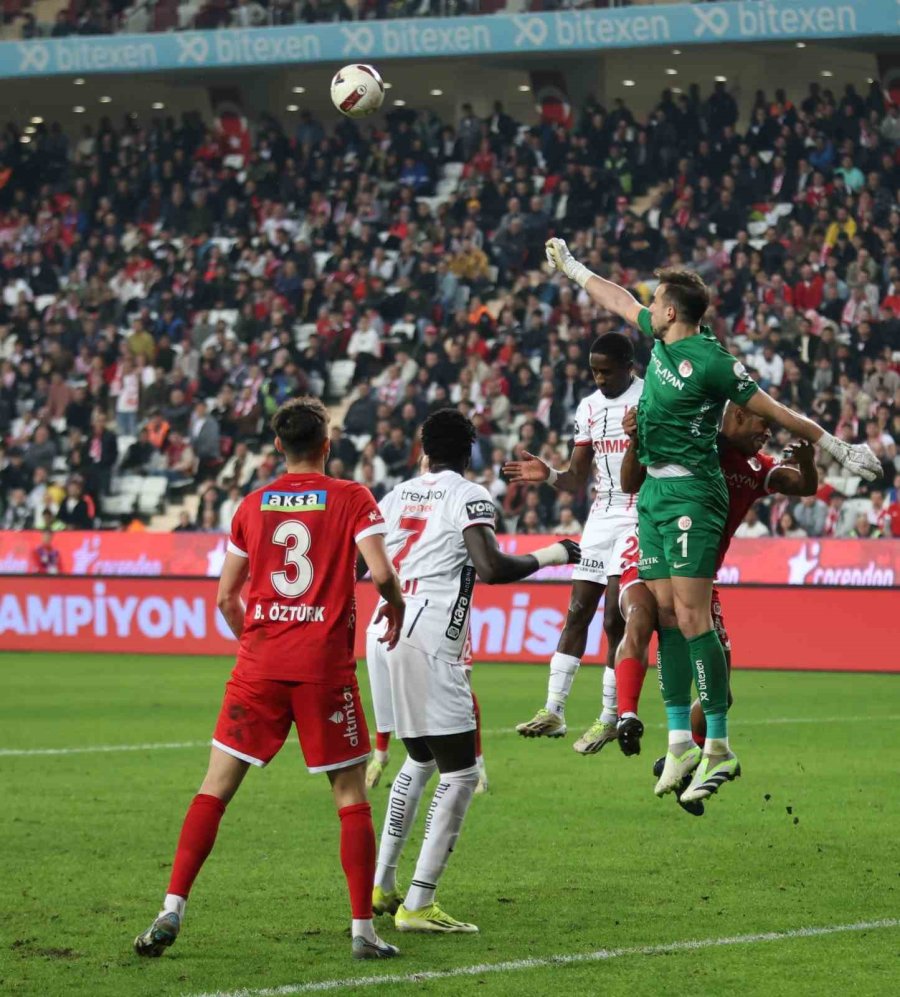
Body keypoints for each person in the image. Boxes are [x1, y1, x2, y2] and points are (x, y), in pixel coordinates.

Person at [545, 238, 879, 804]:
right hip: (651, 495)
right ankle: (679, 742)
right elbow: (617, 299)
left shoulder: (715, 361)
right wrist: (575, 269)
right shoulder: (659, 338)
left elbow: (775, 409)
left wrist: (838, 447)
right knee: (670, 619)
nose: (648, 307)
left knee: (694, 618)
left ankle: (718, 747)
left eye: (657, 301)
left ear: (673, 311)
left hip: (693, 496)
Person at [134, 397, 406, 962]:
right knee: (350, 796)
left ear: (279, 447)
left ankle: (171, 907)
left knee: (214, 789)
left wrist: (258, 644)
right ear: (327, 444)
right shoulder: (353, 497)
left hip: (258, 667)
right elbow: (380, 572)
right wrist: (396, 605)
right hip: (323, 670)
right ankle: (362, 931)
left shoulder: (251, 504)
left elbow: (224, 597)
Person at [365, 409, 579, 933]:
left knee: (418, 759)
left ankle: (381, 882)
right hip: (430, 636)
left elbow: (362, 565)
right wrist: (556, 552)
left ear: (423, 447)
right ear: (469, 452)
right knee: (459, 771)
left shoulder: (395, 496)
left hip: (382, 628)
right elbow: (491, 567)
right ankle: (418, 902)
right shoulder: (468, 495)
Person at [614, 404, 819, 800]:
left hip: (700, 571)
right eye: (763, 423)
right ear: (738, 415)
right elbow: (631, 480)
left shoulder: (757, 468)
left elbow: (803, 485)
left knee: (721, 691)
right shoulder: (697, 443)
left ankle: (686, 751)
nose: (768, 433)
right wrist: (635, 437)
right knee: (646, 618)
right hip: (661, 545)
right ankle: (626, 715)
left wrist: (808, 464)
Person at [503, 333, 644, 753]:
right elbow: (576, 478)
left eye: (607, 370)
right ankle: (554, 711)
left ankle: (607, 717)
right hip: (600, 517)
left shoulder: (650, 398)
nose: (599, 378)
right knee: (578, 609)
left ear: (628, 367)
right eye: (594, 371)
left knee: (614, 620)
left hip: (639, 511)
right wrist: (547, 474)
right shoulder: (588, 407)